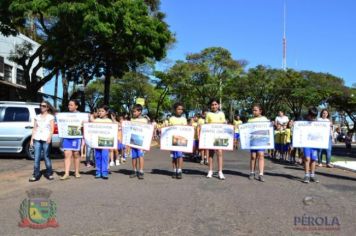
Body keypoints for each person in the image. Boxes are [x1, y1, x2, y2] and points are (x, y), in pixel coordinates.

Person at [29, 101, 55, 182]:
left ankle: (49, 173)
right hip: (37, 138)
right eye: (41, 105)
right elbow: (34, 128)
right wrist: (31, 139)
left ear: (47, 107)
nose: (42, 107)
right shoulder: (37, 117)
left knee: (46, 156)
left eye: (44, 106)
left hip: (46, 138)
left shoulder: (50, 117)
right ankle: (36, 174)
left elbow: (52, 129)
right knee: (36, 157)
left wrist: (49, 137)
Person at [60, 100, 83, 180]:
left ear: (76, 106)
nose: (69, 106)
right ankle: (66, 173)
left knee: (76, 154)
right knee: (67, 154)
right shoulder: (65, 115)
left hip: (76, 137)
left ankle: (76, 172)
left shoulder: (81, 115)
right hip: (66, 137)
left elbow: (85, 124)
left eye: (71, 105)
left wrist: (84, 123)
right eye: (69, 105)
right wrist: (58, 117)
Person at [205, 99, 226, 180]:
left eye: (215, 104)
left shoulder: (222, 113)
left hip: (219, 136)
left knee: (219, 152)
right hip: (211, 136)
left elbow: (224, 124)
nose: (214, 106)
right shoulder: (208, 114)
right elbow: (206, 125)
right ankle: (210, 170)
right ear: (210, 106)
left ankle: (220, 171)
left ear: (218, 105)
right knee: (211, 153)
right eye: (212, 105)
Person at [248, 104, 269, 182]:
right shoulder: (250, 120)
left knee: (261, 155)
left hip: (261, 141)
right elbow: (247, 131)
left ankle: (261, 174)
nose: (254, 111)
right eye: (253, 110)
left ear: (260, 111)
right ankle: (252, 172)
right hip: (253, 141)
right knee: (253, 156)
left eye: (255, 110)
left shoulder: (265, 119)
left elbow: (268, 128)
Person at [168, 102, 188, 179]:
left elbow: (186, 129)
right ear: (175, 110)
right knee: (174, 157)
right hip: (173, 140)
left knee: (180, 156)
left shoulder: (184, 119)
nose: (180, 110)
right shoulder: (171, 118)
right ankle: (174, 170)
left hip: (181, 140)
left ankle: (179, 170)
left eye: (181, 109)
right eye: (178, 109)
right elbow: (169, 129)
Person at [130, 104, 148, 180]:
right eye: (133, 112)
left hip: (141, 141)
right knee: (133, 157)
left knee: (140, 156)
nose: (133, 113)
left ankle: (141, 171)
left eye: (135, 111)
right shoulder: (132, 120)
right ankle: (134, 170)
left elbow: (147, 131)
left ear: (140, 111)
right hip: (133, 140)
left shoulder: (144, 120)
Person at [302, 107, 320, 183]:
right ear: (308, 115)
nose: (313, 118)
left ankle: (312, 175)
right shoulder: (303, 122)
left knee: (313, 159)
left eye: (314, 116)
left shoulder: (318, 124)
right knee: (307, 159)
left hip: (315, 144)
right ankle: (306, 175)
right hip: (306, 143)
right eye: (311, 116)